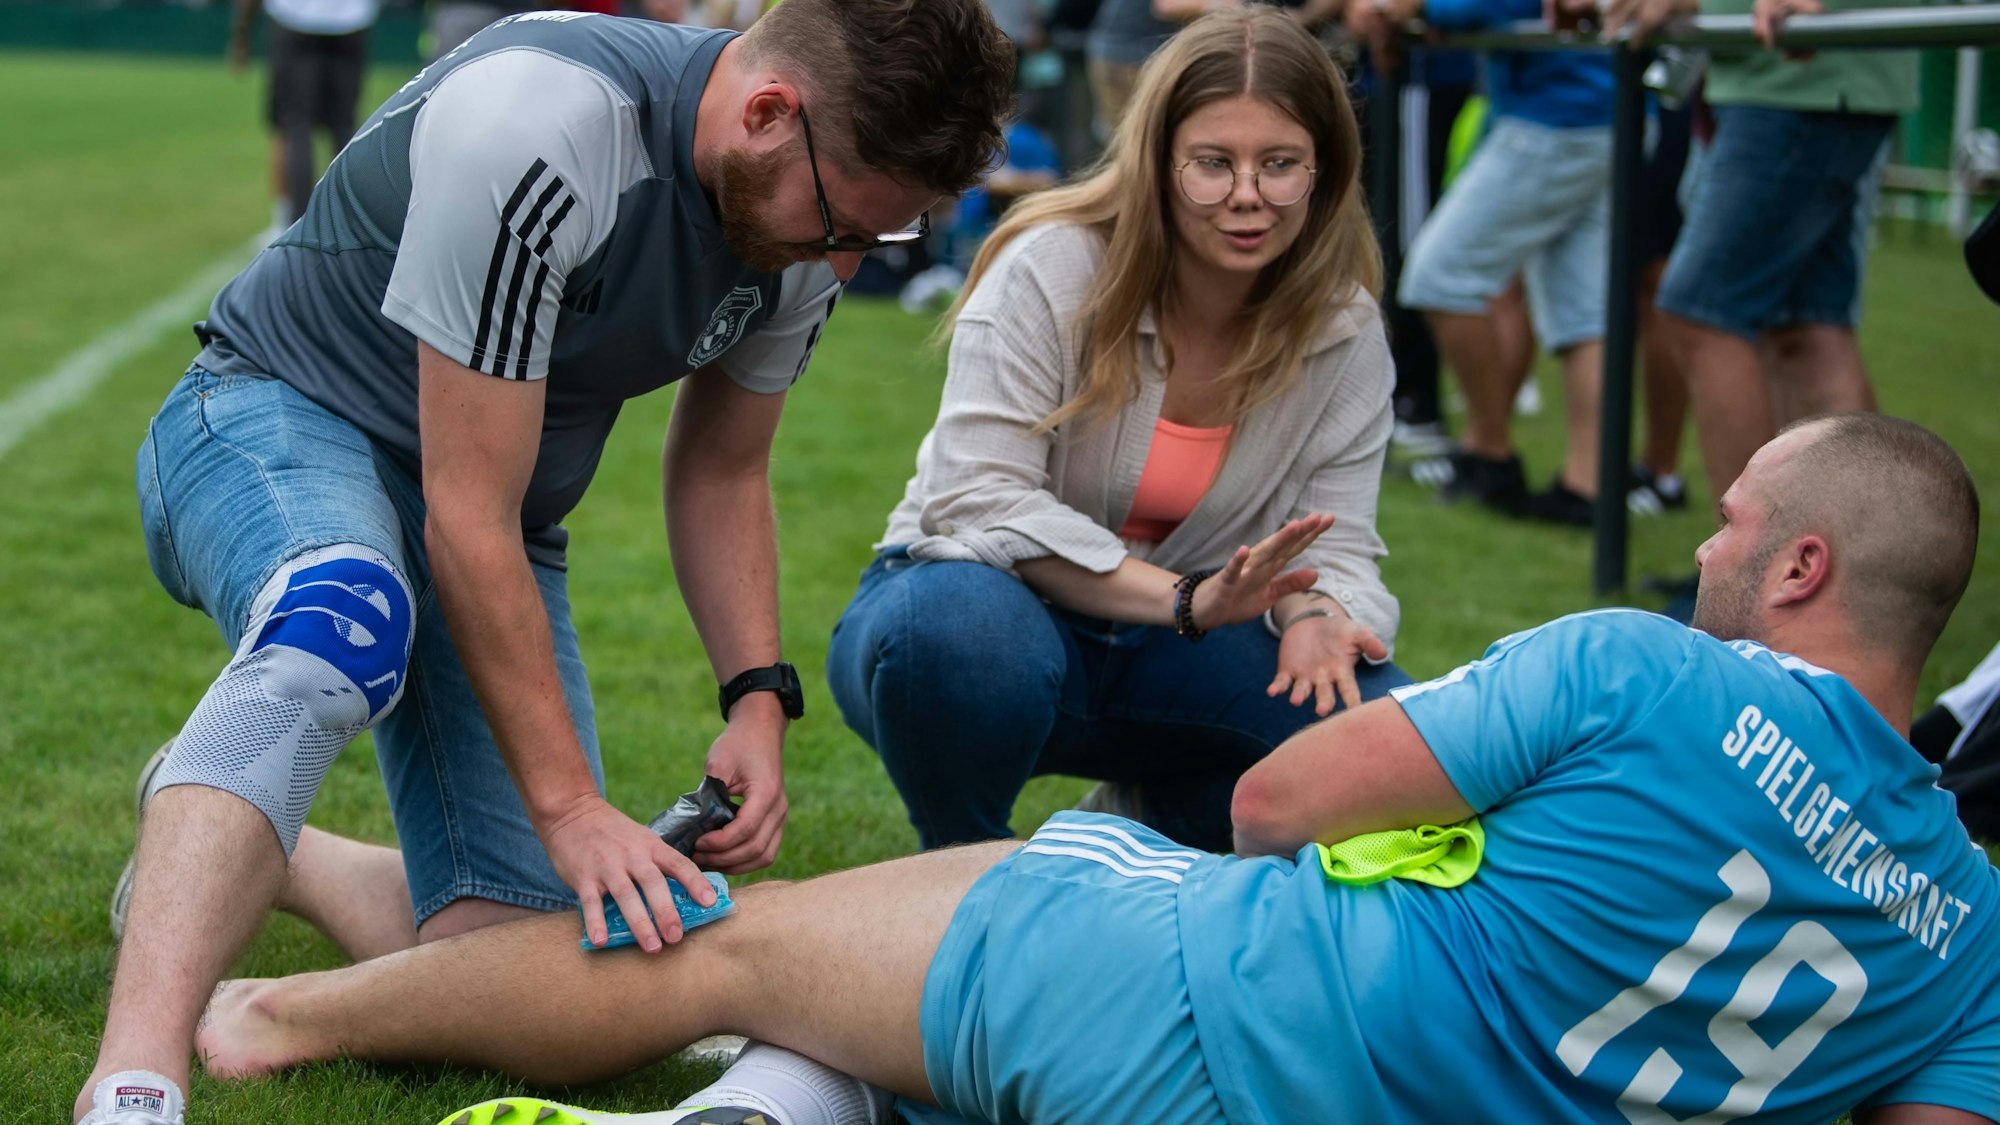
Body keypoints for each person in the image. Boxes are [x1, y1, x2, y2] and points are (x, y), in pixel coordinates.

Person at [193, 413, 1992, 1125]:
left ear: (1803, 572)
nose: (1706, 547)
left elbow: (1281, 803)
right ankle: (308, 872)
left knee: (749, 945)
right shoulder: (1974, 926)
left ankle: (285, 1026)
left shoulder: (1642, 668)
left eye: (1735, 520)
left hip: (1219, 1016)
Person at [73, 5, 1016, 1124]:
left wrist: (758, 699)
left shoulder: (806, 213)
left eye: (880, 236)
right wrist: (571, 807)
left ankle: (238, 827)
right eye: (841, 229)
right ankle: (135, 1079)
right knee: (342, 619)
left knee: (526, 974)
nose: (846, 260)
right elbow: (463, 513)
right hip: (270, 416)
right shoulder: (540, 125)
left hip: (493, 517)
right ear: (769, 112)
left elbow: (720, 471)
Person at [826, 8, 1408, 855]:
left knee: (1389, 733)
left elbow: (1342, 541)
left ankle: (1136, 834)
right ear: (1160, 164)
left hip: (1185, 654)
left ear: (1324, 172)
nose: (1247, 194)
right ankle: (963, 865)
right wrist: (1183, 599)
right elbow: (978, 498)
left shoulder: (1344, 328)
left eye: (1279, 165)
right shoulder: (1053, 264)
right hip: (990, 617)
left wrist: (1320, 610)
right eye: (1213, 164)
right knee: (956, 633)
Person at [1389, 0, 1616, 524]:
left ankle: (1490, 453)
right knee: (1581, 312)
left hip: (1561, 110)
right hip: (1594, 103)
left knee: (1437, 276)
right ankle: (1586, 489)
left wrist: (1416, 7)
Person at [229, 0, 380, 230]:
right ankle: (347, 225)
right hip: (351, 22)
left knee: (296, 127)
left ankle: (297, 226)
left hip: (295, 20)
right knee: (344, 127)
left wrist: (241, 31)